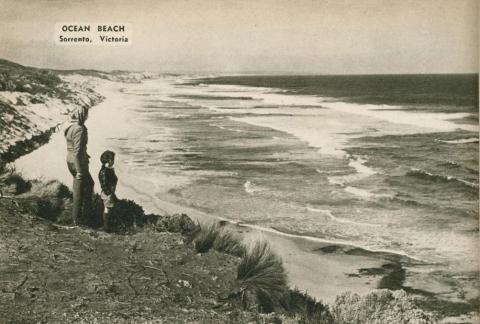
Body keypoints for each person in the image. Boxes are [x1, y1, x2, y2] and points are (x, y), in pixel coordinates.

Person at [64, 106, 94, 225]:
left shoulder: (70, 126)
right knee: (80, 191)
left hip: (70, 160)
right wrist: (80, 170)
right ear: (83, 115)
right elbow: (76, 151)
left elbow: (73, 148)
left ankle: (79, 219)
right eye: (86, 114)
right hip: (78, 162)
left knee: (82, 188)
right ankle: (80, 220)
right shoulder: (79, 129)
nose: (87, 116)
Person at [98, 150, 118, 231]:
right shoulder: (104, 171)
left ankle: (108, 225)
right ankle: (106, 226)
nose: (113, 161)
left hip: (109, 192)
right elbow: (103, 184)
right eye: (113, 160)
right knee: (107, 209)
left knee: (109, 208)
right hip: (107, 193)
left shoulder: (107, 170)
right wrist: (109, 193)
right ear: (109, 161)